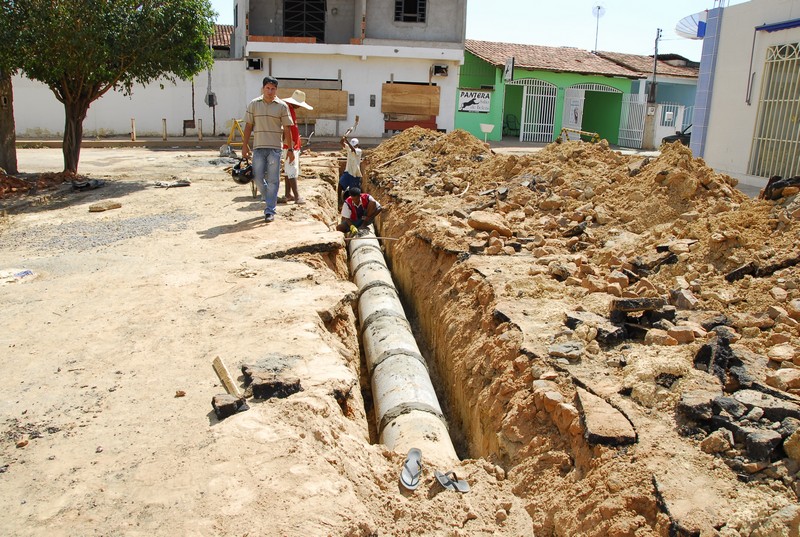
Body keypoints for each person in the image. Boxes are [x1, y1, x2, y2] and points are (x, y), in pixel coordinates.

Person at [242, 76, 294, 223]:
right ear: (262, 88)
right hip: (258, 148)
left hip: (275, 149)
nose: (270, 91)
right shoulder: (254, 104)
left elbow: (288, 129)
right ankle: (269, 196)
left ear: (276, 90)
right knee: (257, 177)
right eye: (267, 88)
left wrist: (290, 149)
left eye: (273, 89)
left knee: (273, 180)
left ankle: (270, 210)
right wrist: (244, 145)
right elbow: (248, 126)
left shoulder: (282, 106)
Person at [280, 89, 313, 205]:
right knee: (292, 170)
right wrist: (290, 148)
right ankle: (297, 197)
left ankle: (287, 194)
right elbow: (286, 129)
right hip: (290, 146)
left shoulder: (290, 109)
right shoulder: (287, 110)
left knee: (289, 170)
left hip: (292, 145)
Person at [337, 136, 363, 207]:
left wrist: (347, 141)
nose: (353, 146)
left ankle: (355, 206)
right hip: (348, 171)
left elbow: (353, 150)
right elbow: (341, 143)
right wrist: (343, 137)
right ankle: (339, 201)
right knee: (340, 184)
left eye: (355, 145)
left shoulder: (359, 150)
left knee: (353, 191)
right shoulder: (349, 148)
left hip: (355, 173)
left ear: (357, 145)